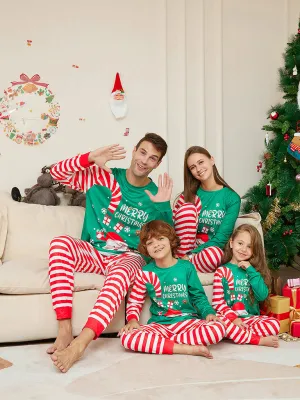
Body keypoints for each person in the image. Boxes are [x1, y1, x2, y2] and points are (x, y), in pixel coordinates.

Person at [48, 133, 173, 373]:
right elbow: (56, 174)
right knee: (60, 243)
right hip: (95, 251)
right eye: (143, 152)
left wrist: (163, 206)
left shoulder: (155, 195)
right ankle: (64, 330)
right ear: (135, 150)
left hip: (128, 257)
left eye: (153, 158)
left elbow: (167, 242)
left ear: (157, 164)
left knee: (123, 272)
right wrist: (89, 157)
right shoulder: (102, 176)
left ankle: (80, 344)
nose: (145, 160)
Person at [119, 220, 226, 358]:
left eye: (160, 239)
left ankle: (163, 345)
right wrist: (133, 320)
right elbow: (135, 301)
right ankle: (186, 349)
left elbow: (198, 297)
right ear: (146, 248)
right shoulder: (144, 272)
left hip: (187, 323)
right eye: (150, 243)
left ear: (170, 240)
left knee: (218, 328)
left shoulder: (186, 267)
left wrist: (209, 313)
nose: (156, 245)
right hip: (160, 325)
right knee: (127, 338)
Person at [173, 146, 241, 273]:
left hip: (207, 253)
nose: (198, 169)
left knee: (214, 255)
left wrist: (191, 255)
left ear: (212, 160)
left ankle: (181, 266)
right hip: (184, 250)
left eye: (201, 162)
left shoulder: (232, 198)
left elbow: (221, 238)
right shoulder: (187, 196)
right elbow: (172, 228)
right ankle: (180, 264)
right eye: (192, 167)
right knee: (187, 208)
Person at [212, 224, 280, 347]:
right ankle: (255, 339)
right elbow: (217, 303)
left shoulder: (253, 271)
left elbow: (262, 296)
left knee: (274, 324)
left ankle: (237, 335)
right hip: (230, 318)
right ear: (231, 243)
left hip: (248, 319)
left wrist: (250, 270)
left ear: (254, 250)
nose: (243, 249)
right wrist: (233, 319)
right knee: (218, 324)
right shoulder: (221, 271)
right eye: (240, 243)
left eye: (249, 246)